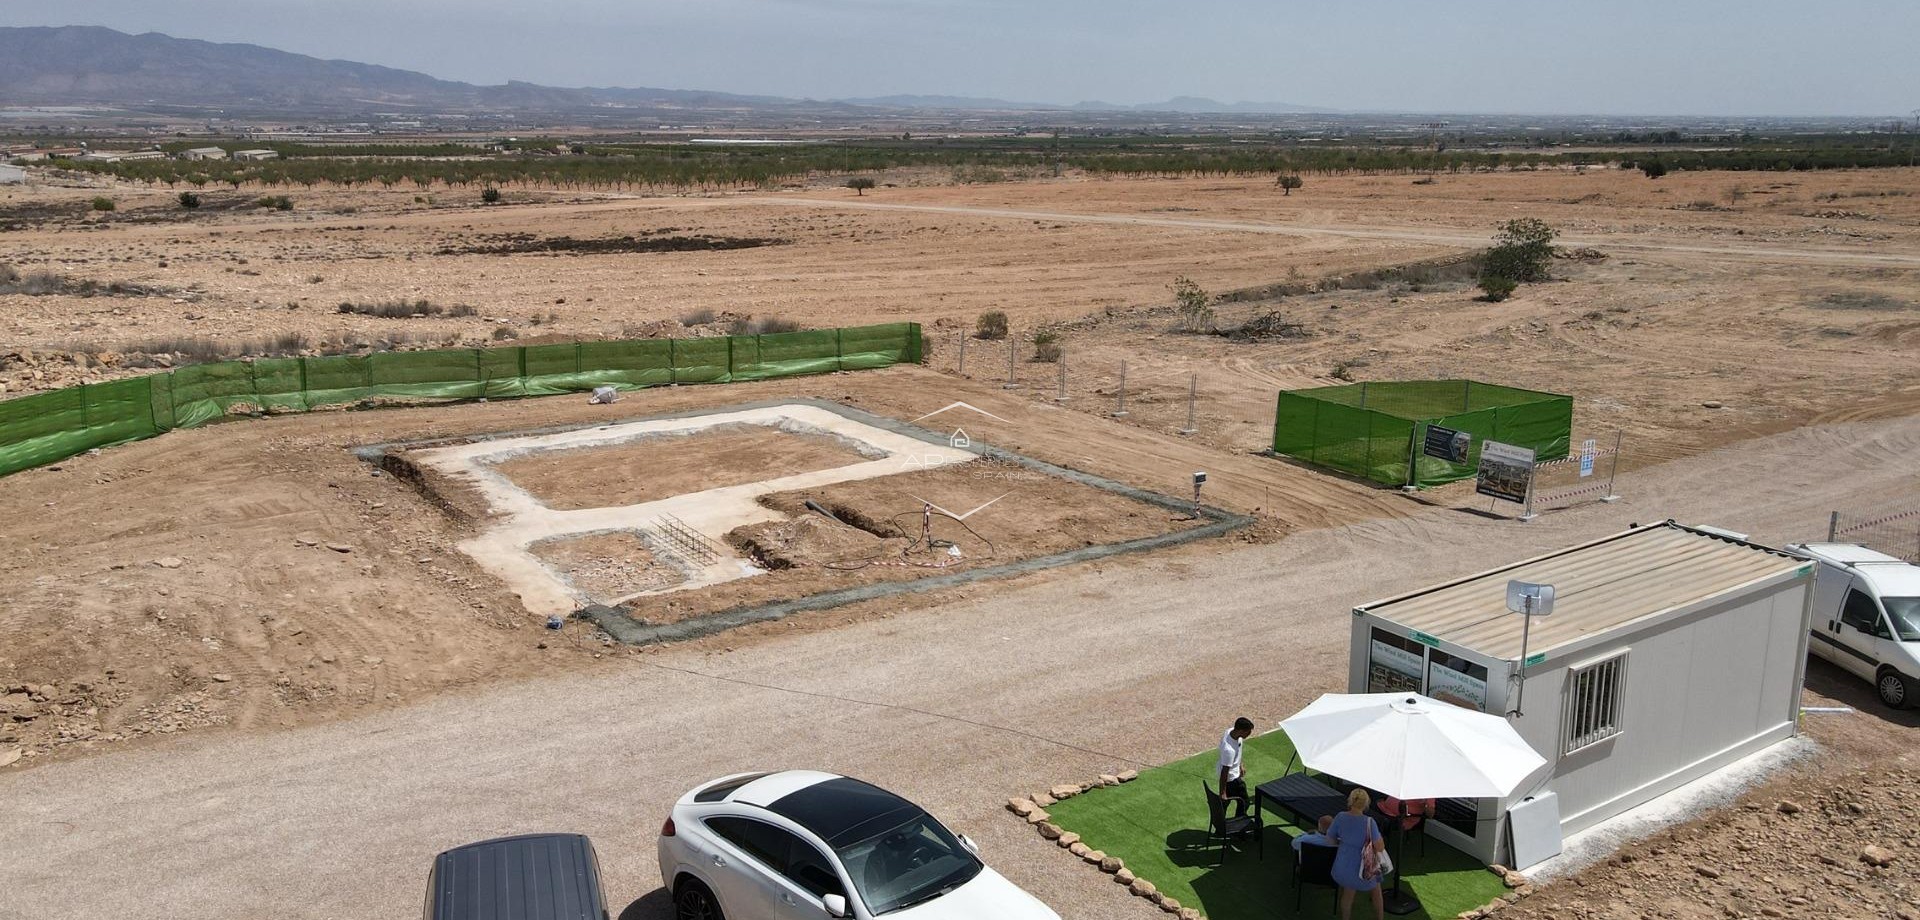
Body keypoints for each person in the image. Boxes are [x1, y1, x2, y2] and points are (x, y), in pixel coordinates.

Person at [1327, 787, 1386, 920]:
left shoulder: (1340, 817)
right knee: (1377, 892)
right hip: (1366, 866)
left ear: (1350, 801)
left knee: (1347, 896)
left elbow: (1330, 839)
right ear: (1366, 803)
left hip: (1343, 866)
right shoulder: (1370, 822)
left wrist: (1344, 843)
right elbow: (1380, 847)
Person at [1217, 716, 1254, 818]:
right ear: (1241, 730)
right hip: (1232, 780)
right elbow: (1224, 772)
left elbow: (1238, 749)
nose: (1249, 734)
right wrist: (1222, 793)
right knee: (1244, 802)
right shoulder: (1228, 750)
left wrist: (1240, 764)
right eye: (1248, 732)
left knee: (1224, 803)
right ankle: (1238, 823)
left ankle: (1220, 827)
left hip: (1232, 776)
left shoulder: (1230, 732)